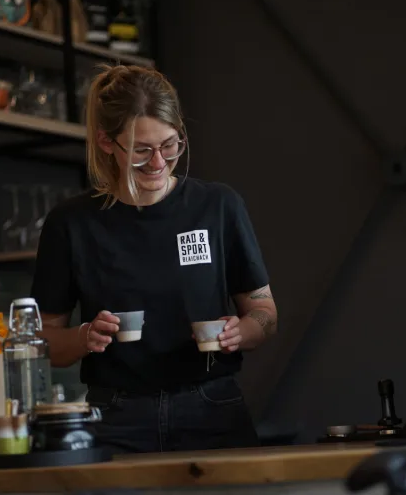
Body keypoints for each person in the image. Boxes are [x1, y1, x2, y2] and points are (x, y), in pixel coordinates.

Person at [30, 64, 278, 455]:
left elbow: (265, 312)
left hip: (212, 409)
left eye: (170, 145)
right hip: (115, 415)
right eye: (142, 149)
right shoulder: (71, 223)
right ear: (106, 142)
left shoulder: (218, 206)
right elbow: (42, 339)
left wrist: (242, 332)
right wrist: (84, 337)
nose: (159, 161)